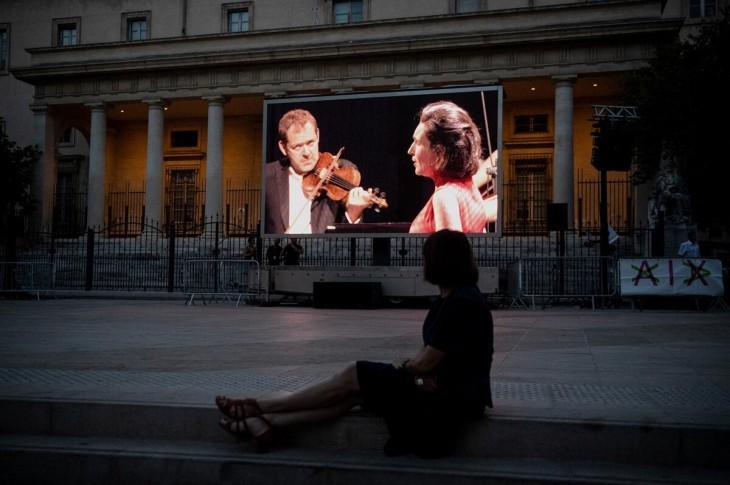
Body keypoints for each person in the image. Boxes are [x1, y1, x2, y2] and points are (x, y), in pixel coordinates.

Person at [215, 229, 494, 458]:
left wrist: (412, 370)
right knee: (357, 393)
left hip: (455, 397)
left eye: (425, 258)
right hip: (441, 388)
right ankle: (268, 425)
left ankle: (259, 407)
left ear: (439, 261)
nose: (422, 264)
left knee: (354, 373)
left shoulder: (463, 302)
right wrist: (419, 375)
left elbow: (425, 361)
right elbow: (429, 360)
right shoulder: (451, 297)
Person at [264, 109, 373, 234]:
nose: (306, 153)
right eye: (297, 147)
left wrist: (353, 213)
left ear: (318, 135)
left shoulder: (344, 170)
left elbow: (348, 242)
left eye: (310, 143)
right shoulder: (268, 175)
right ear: (283, 148)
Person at [408, 101, 489, 234]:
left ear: (440, 152)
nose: (410, 150)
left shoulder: (445, 197)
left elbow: (450, 253)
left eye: (417, 142)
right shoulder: (469, 188)